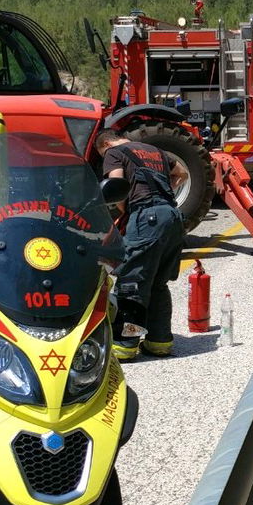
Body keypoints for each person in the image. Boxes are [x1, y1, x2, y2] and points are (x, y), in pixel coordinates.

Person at [92, 129, 188, 359]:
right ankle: (159, 342)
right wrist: (163, 195)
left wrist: (125, 210)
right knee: (158, 283)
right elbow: (182, 173)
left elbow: (116, 185)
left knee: (132, 282)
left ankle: (126, 343)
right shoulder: (155, 151)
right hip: (173, 217)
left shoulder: (114, 152)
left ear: (105, 143)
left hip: (148, 217)